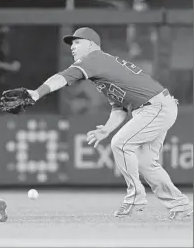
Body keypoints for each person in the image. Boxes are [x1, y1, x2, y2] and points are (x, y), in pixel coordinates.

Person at [12, 27, 192, 219]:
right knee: (146, 162)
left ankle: (135, 199)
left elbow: (63, 77)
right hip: (157, 106)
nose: (72, 47)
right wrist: (106, 130)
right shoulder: (102, 69)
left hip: (155, 107)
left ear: (91, 44)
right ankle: (180, 205)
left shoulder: (94, 59)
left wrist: (37, 93)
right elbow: (119, 108)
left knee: (121, 144)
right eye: (71, 44)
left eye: (77, 42)